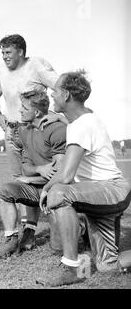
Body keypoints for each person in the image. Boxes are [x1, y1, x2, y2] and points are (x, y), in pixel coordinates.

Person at [37, 71, 131, 286]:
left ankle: (72, 268)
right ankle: (93, 262)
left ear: (67, 95)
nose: (52, 95)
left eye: (55, 91)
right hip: (109, 194)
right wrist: (60, 116)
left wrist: (46, 189)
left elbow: (67, 175)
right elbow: (80, 115)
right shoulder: (86, 118)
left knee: (59, 192)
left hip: (109, 191)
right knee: (108, 267)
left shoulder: (80, 125)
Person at [0, 90, 66, 258]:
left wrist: (34, 178)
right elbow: (26, 166)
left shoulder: (57, 129)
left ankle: (81, 225)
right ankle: (11, 240)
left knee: (58, 248)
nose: (20, 111)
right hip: (38, 186)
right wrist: (39, 170)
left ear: (37, 112)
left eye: (24, 107)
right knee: (5, 190)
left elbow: (60, 174)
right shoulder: (24, 129)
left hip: (55, 191)